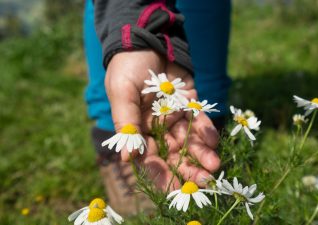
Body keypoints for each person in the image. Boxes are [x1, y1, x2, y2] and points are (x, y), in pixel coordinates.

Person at [83, 0, 231, 215]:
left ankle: (205, 127)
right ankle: (112, 136)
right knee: (127, 85)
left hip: (182, 96)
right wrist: (134, 39)